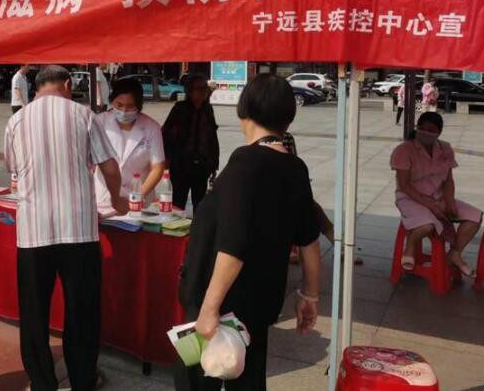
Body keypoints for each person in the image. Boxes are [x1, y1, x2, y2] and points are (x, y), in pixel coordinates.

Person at [176, 74, 321, 390]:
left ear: (245, 110)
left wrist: (209, 308)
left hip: (223, 301)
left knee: (195, 382)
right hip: (260, 302)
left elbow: (233, 245)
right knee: (249, 380)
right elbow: (309, 239)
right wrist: (309, 295)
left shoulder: (244, 163)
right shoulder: (295, 167)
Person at [4, 65, 126, 391]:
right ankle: (83, 380)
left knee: (34, 315)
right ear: (69, 84)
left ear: (37, 86)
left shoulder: (17, 120)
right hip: (79, 231)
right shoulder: (83, 115)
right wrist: (118, 199)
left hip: (33, 232)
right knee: (81, 311)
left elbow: (13, 168)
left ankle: (42, 383)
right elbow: (110, 168)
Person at [391, 112, 482, 277]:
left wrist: (449, 201)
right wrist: (430, 205)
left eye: (431, 130)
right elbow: (404, 185)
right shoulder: (404, 150)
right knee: (427, 226)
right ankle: (410, 246)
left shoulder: (445, 148)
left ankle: (454, 253)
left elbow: (448, 180)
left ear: (439, 132)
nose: (426, 132)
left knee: (474, 217)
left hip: (439, 197)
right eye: (422, 128)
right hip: (410, 198)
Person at [94, 77, 166, 215]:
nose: (124, 110)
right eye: (119, 105)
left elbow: (158, 167)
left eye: (130, 106)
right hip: (104, 199)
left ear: (138, 105)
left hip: (140, 201)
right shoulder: (99, 123)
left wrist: (139, 196)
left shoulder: (151, 127)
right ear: (112, 101)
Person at [162, 75, 219, 212]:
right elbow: (166, 133)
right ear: (189, 90)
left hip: (202, 164)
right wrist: (167, 158)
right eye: (198, 88)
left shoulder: (208, 109)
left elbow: (212, 136)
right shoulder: (180, 108)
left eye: (205, 88)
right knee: (178, 202)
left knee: (200, 204)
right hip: (181, 164)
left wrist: (214, 163)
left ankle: (198, 226)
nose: (203, 91)